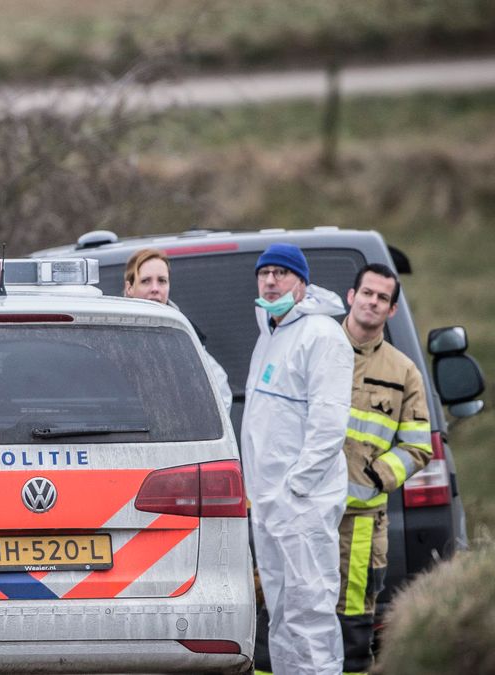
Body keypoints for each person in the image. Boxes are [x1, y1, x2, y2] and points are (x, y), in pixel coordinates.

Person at [240, 243, 352, 675]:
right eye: (264, 273)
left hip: (301, 506)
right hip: (270, 505)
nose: (270, 281)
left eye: (281, 274)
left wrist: (296, 490)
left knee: (310, 613)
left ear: (302, 284)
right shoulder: (272, 332)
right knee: (284, 615)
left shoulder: (321, 336)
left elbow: (328, 426)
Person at [337, 263, 432, 674]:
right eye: (368, 293)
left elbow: (418, 446)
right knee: (285, 607)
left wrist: (376, 477)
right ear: (350, 295)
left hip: (359, 525)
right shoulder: (315, 348)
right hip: (299, 513)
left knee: (353, 623)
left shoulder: (404, 371)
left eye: (382, 298)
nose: (373, 302)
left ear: (392, 310)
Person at [123, 248, 232, 415]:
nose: (155, 288)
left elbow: (220, 391)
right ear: (129, 287)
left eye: (162, 281)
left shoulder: (183, 334)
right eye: (145, 281)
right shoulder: (112, 331)